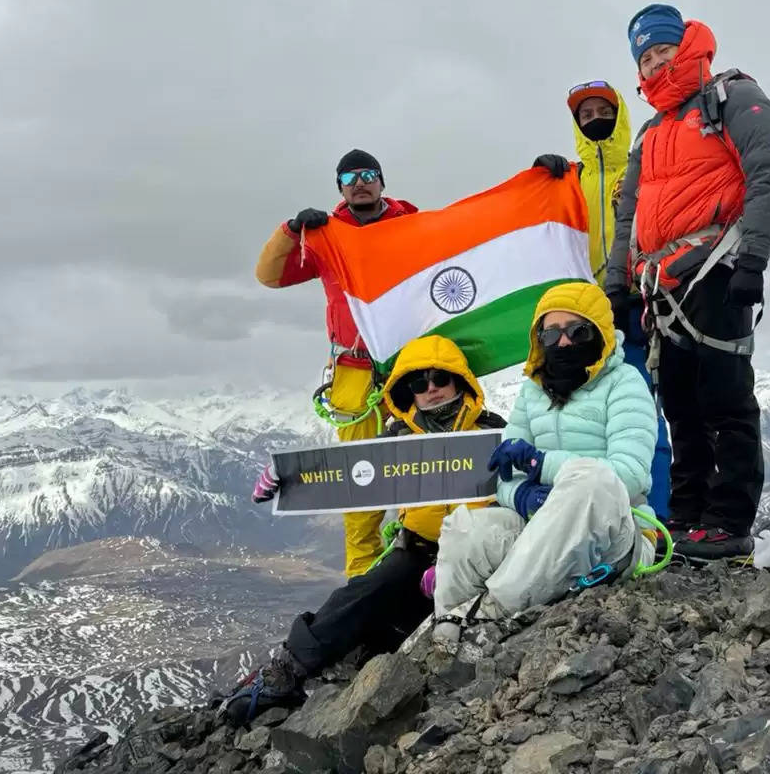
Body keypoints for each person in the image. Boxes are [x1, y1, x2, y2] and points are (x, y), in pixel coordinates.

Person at [223, 335, 505, 724]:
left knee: (388, 630)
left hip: (477, 562)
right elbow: (346, 474)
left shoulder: (494, 434)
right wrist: (289, 476)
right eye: (418, 383)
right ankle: (287, 669)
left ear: (461, 381)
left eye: (441, 377)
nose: (431, 389)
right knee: (363, 593)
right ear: (407, 393)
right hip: (418, 557)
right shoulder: (395, 440)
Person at [605, 4, 770, 561]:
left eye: (663, 50)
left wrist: (754, 259)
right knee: (681, 404)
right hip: (661, 282)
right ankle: (686, 515)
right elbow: (630, 215)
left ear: (688, 45)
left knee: (726, 399)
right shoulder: (650, 133)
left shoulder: (732, 97)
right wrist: (619, 283)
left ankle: (729, 523)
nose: (656, 62)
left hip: (719, 266)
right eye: (646, 57)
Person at [430, 282, 656, 637]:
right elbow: (503, 473)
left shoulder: (625, 383)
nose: (563, 342)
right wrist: (520, 495)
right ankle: (446, 632)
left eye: (577, 331)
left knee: (590, 479)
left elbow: (629, 476)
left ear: (599, 333)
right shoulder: (532, 392)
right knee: (469, 529)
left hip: (617, 533)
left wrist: (540, 464)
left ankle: (489, 615)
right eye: (551, 335)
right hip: (543, 529)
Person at [255, 149, 419, 579]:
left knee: (422, 474)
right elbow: (270, 275)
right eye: (350, 176)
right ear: (341, 187)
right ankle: (362, 588)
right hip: (353, 370)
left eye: (368, 174)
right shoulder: (326, 237)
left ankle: (416, 573)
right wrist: (291, 232)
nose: (360, 181)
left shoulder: (413, 227)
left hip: (412, 365)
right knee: (361, 483)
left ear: (382, 181)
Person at [535, 81, 672, 519]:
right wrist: (541, 182)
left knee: (640, 411)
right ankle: (597, 514)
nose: (594, 119)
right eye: (585, 114)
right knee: (588, 418)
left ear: (620, 115)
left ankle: (657, 515)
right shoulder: (569, 181)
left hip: (639, 305)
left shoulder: (643, 168)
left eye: (602, 110)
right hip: (583, 318)